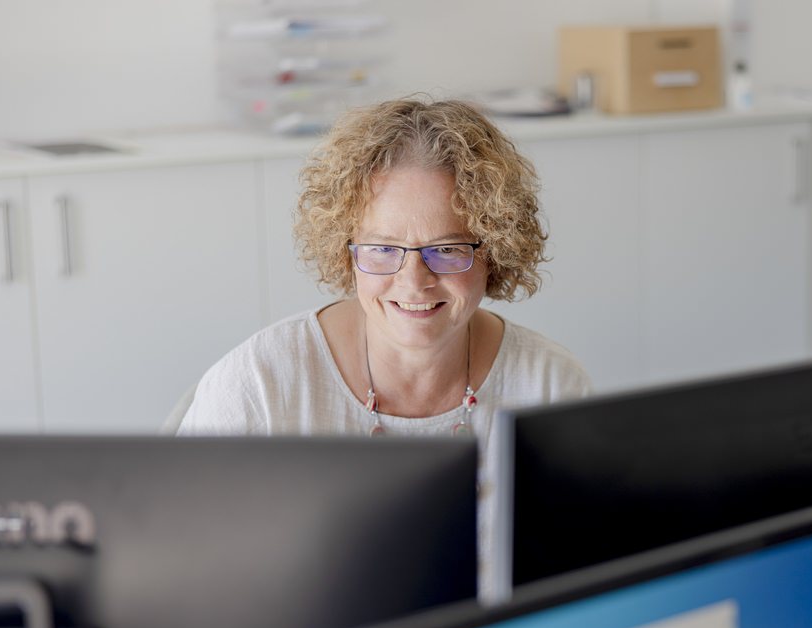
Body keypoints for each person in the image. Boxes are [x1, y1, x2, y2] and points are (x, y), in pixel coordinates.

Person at [178, 97, 592, 574]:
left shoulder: (552, 386)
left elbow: (578, 567)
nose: (414, 281)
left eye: (448, 249)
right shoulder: (259, 385)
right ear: (345, 248)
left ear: (494, 250)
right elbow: (183, 563)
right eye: (381, 248)